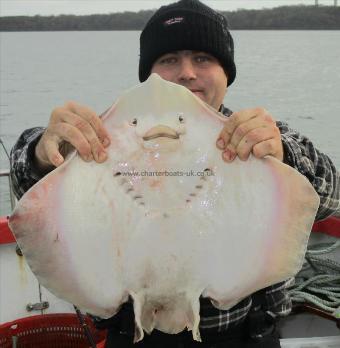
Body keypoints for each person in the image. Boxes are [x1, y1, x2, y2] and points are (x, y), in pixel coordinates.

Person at [10, 0, 340, 347]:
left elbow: (331, 195)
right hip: (134, 331)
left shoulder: (257, 140)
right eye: (168, 60)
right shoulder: (102, 142)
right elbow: (26, 188)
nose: (186, 73)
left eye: (203, 58)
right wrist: (42, 153)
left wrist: (284, 155)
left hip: (245, 335)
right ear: (148, 75)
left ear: (227, 73)